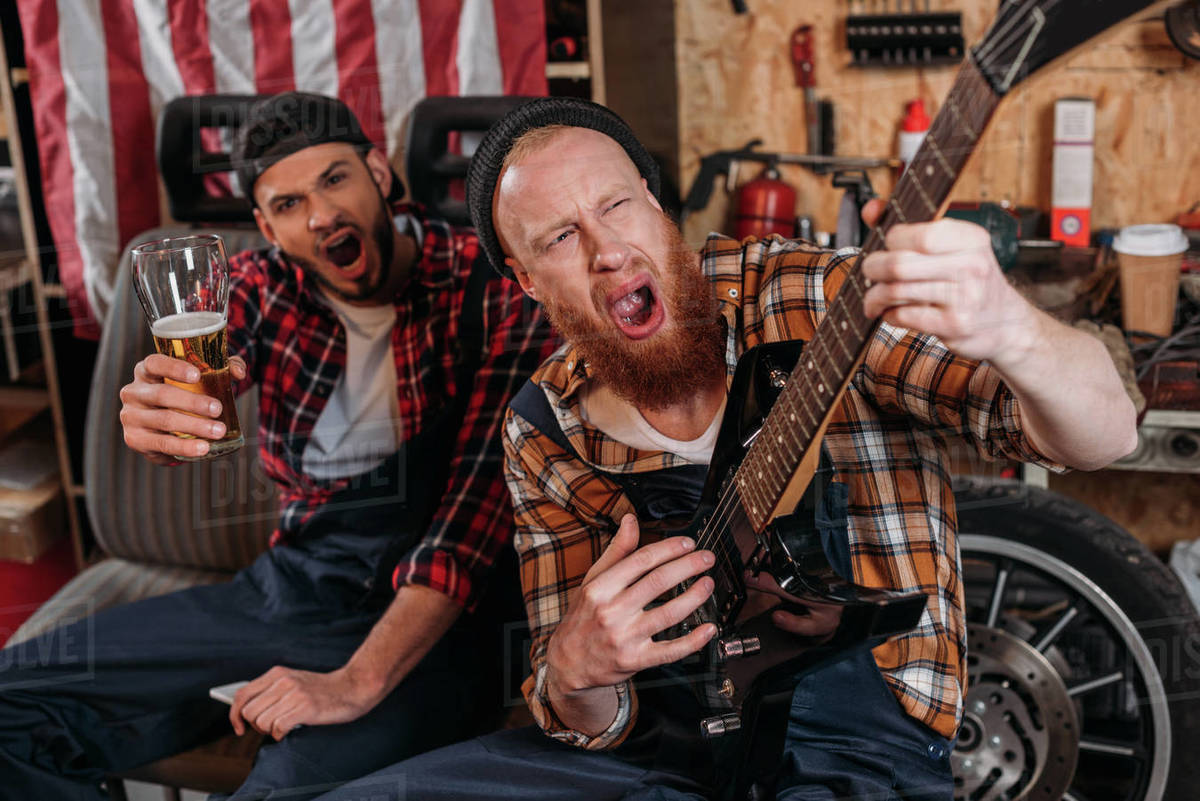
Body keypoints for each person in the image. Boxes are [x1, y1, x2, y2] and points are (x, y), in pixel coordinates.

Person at [304, 97, 1138, 801]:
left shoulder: (814, 301)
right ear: (526, 281)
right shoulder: (544, 425)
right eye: (559, 238)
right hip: (661, 760)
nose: (606, 251)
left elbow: (1106, 434)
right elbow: (592, 722)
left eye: (616, 206)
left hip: (856, 755)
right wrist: (575, 670)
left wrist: (1014, 332)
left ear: (655, 205)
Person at [0, 92, 557, 800]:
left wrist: (356, 681)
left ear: (379, 174)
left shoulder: (494, 285)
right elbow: (214, 361)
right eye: (289, 204)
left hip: (443, 623)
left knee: (288, 789)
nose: (321, 215)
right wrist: (162, 413)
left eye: (334, 179)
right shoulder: (263, 286)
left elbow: (471, 523)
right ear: (265, 226)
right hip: (295, 589)